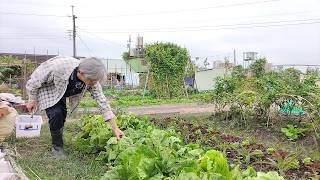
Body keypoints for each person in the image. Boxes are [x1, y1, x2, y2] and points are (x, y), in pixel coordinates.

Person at [25, 56, 124, 158]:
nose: (93, 83)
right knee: (56, 114)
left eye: (95, 81)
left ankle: (58, 137)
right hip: (49, 88)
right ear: (81, 72)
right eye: (91, 80)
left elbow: (102, 102)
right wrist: (32, 99)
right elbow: (34, 81)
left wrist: (115, 128)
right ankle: (57, 147)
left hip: (63, 90)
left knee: (62, 114)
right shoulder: (58, 67)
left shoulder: (91, 79)